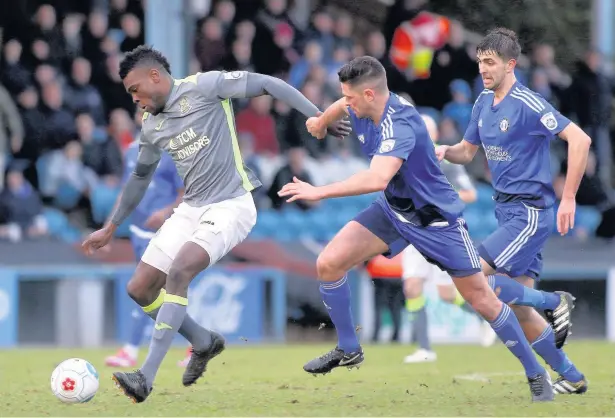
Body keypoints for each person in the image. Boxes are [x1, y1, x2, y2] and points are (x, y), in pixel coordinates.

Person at [82, 45, 351, 403]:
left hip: (232, 204)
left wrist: (319, 116)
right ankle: (202, 341)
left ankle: (145, 376)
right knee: (140, 288)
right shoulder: (152, 124)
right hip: (192, 207)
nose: (135, 99)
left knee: (179, 271)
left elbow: (268, 84)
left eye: (135, 89)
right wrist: (111, 226)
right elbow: (139, 177)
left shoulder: (206, 87)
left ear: (155, 77)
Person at [279, 55, 555, 402]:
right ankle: (349, 348)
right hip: (394, 211)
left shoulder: (400, 124)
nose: (345, 104)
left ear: (369, 94)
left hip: (436, 221)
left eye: (350, 98)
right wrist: (322, 121)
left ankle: (535, 372)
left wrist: (319, 190)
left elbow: (376, 178)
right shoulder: (362, 104)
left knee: (481, 298)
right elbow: (341, 104)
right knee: (328, 263)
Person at [435, 28, 590, 395]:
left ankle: (555, 301)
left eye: (490, 63)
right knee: (517, 308)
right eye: (480, 63)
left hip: (529, 214)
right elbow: (466, 151)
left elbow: (579, 139)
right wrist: (442, 150)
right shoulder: (481, 104)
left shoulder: (528, 103)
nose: (483, 69)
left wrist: (568, 197)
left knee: (467, 278)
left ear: (511, 65)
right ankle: (571, 376)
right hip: (506, 212)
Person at [402, 114, 496, 365]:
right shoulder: (402, 160)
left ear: (432, 135)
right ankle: (424, 348)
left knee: (446, 294)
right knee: (412, 287)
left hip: (442, 233)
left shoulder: (446, 161)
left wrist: (439, 197)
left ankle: (483, 318)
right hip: (415, 232)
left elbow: (470, 194)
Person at [104, 129, 185, 369]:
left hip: (164, 232)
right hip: (139, 232)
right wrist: (109, 227)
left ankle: (130, 349)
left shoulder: (174, 151)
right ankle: (197, 342)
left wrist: (165, 212)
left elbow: (187, 193)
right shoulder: (131, 150)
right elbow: (125, 192)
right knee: (158, 291)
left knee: (147, 289)